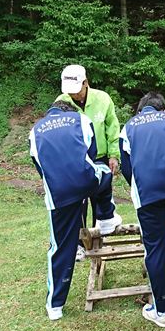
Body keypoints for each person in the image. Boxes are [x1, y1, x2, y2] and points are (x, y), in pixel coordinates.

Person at [29, 101, 122, 321]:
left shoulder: (35, 131)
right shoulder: (81, 119)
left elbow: (40, 167)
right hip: (84, 180)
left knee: (60, 248)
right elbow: (91, 153)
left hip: (58, 194)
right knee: (104, 171)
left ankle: (55, 306)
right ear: (69, 111)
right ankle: (106, 218)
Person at [119, 92, 165, 328]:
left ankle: (162, 310)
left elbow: (126, 167)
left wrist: (139, 185)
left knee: (155, 248)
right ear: (162, 109)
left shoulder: (127, 128)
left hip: (147, 192)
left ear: (140, 110)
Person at [55, 65, 122, 261]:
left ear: (86, 82)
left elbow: (112, 127)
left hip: (100, 157)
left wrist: (114, 155)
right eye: (70, 91)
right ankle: (78, 244)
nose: (73, 95)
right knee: (77, 201)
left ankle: (98, 237)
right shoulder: (61, 102)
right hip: (75, 160)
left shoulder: (103, 99)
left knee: (101, 196)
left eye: (76, 90)